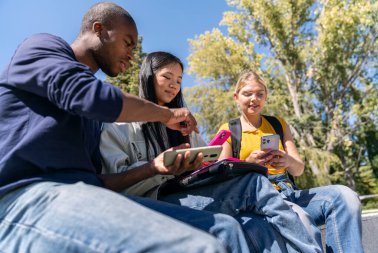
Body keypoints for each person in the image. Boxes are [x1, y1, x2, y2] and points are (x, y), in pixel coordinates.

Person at [0, 3, 258, 253]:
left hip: (85, 199)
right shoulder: (43, 47)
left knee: (225, 230)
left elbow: (98, 183)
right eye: (127, 43)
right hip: (22, 196)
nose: (132, 55)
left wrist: (154, 167)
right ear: (99, 29)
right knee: (199, 247)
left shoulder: (91, 123)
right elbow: (90, 96)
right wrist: (164, 114)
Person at [100, 51, 323, 253]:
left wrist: (202, 164)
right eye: (167, 77)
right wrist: (159, 169)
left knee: (255, 219)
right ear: (148, 76)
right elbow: (117, 183)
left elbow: (212, 163)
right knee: (252, 189)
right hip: (152, 200)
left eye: (178, 80)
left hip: (190, 192)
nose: (174, 85)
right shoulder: (120, 125)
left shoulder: (186, 126)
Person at [217, 70, 364, 253]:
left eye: (260, 94)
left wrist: (287, 161)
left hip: (289, 191)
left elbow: (298, 169)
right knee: (300, 219)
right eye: (248, 94)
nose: (254, 99)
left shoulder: (278, 124)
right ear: (236, 97)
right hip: (257, 199)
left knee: (345, 197)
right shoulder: (228, 130)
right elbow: (221, 178)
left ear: (266, 97)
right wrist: (248, 163)